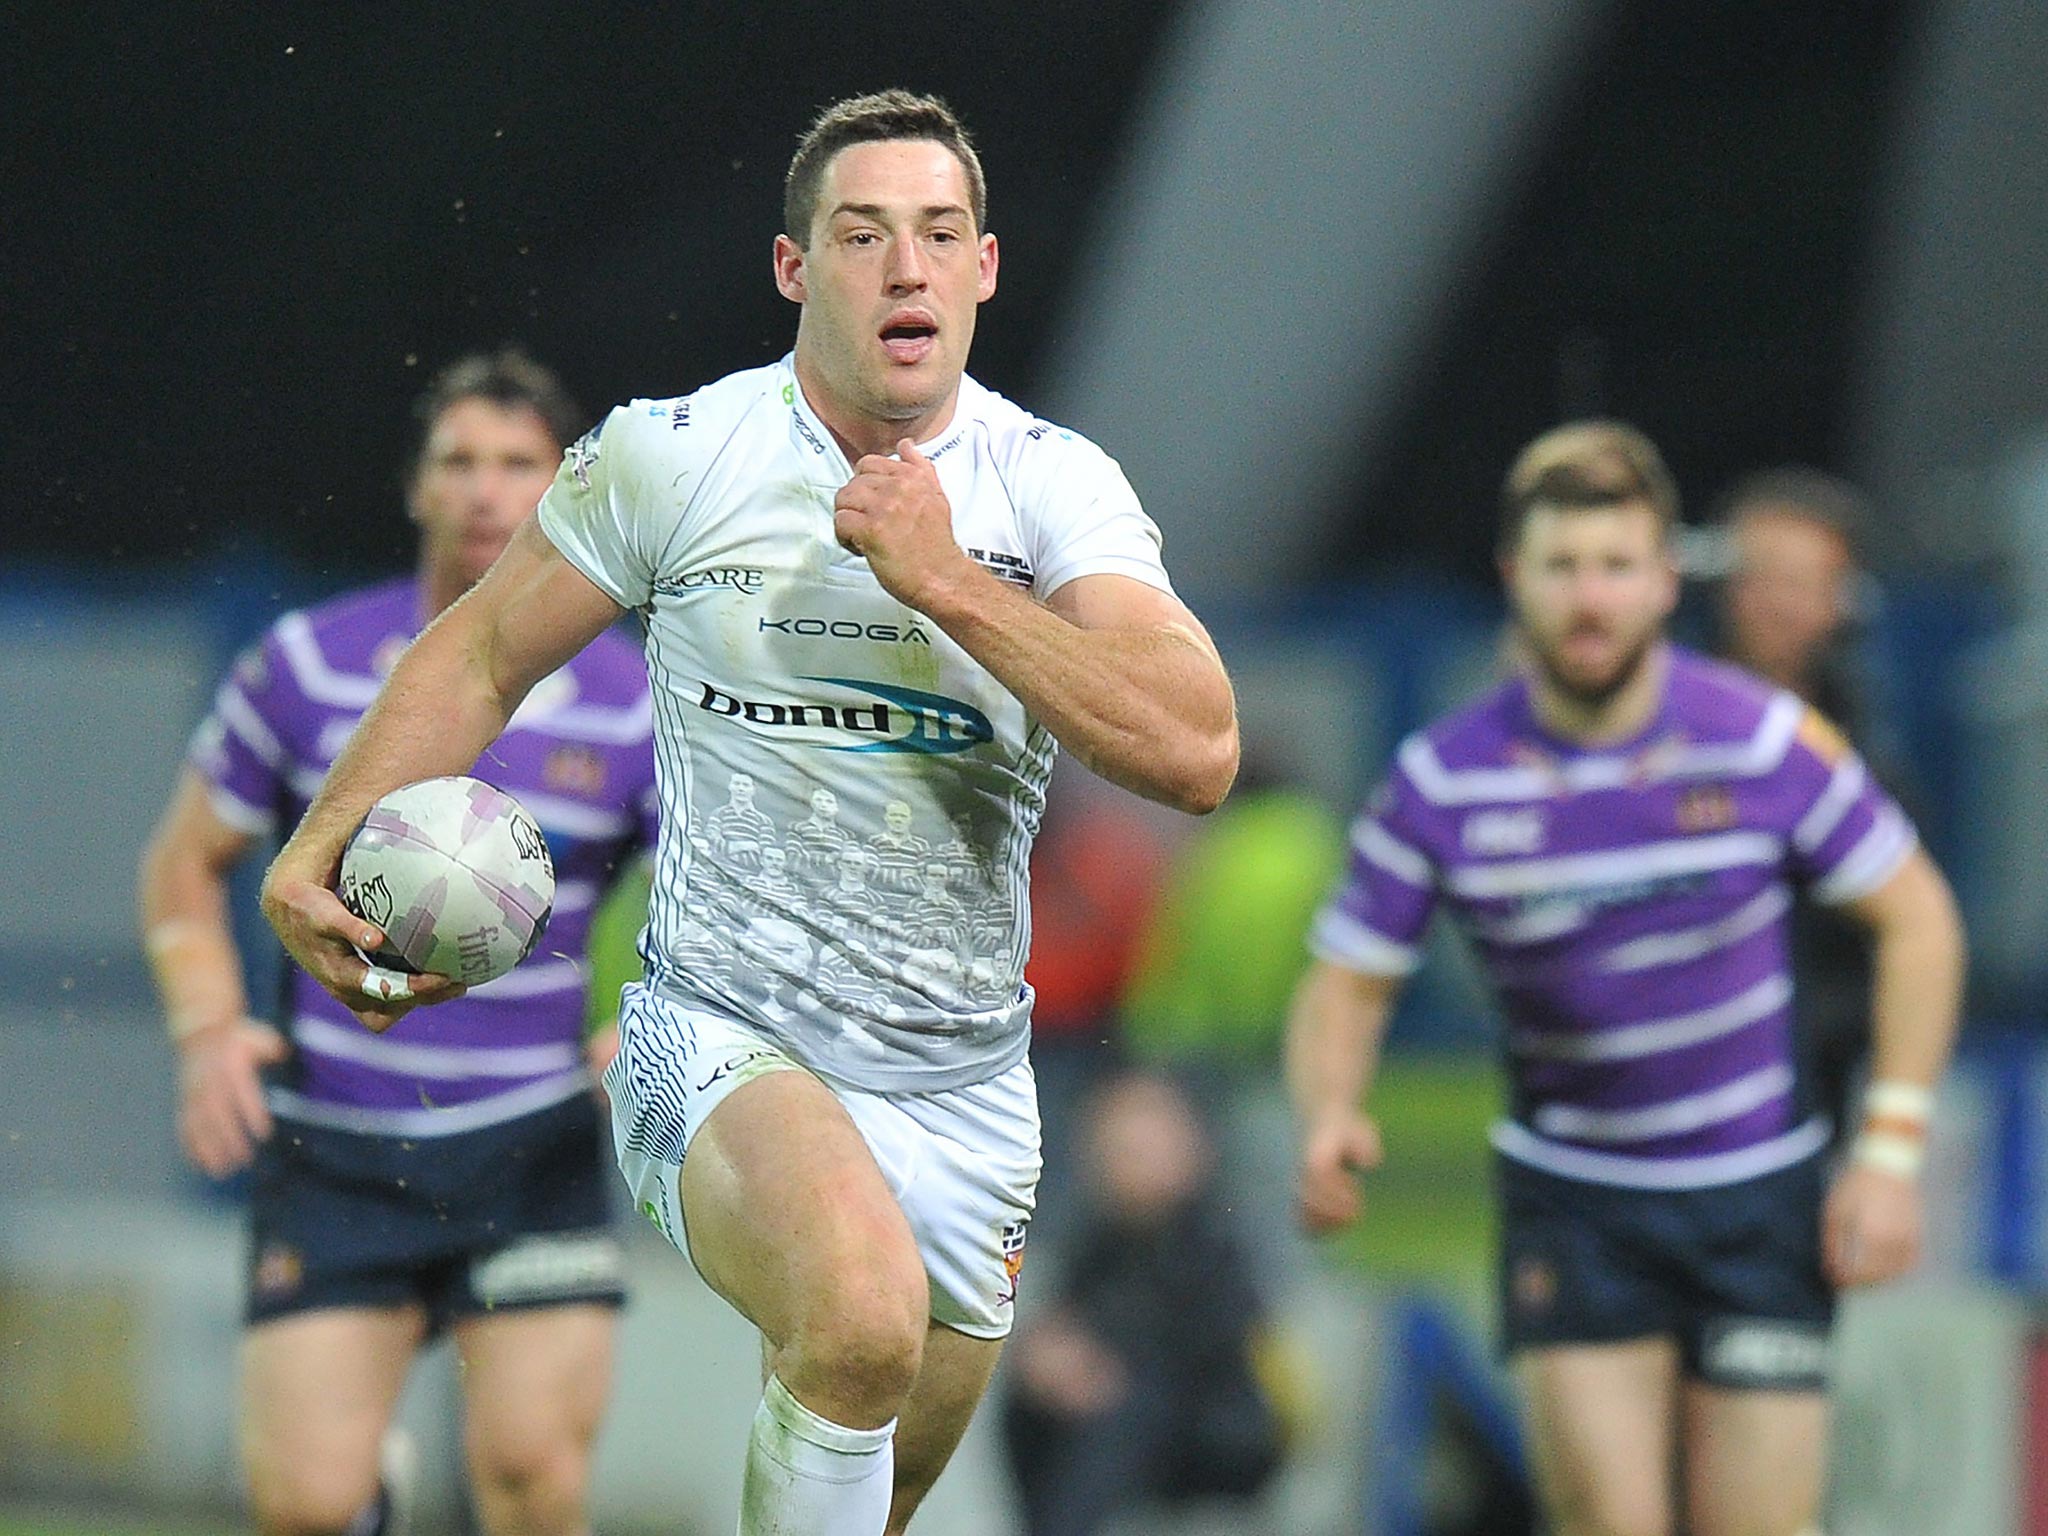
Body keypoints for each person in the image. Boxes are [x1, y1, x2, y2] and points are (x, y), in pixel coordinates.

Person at [256, 90, 1239, 1536]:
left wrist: (950, 582)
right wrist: (317, 844)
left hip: (967, 1090)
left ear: (984, 271)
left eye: (939, 235)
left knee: (873, 1474)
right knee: (855, 1319)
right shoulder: (675, 455)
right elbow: (476, 649)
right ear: (795, 270)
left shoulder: (1051, 488)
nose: (905, 268)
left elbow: (1198, 750)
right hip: (723, 1035)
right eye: (863, 235)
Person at [1287, 421, 1964, 1536]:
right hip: (1574, 1206)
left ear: (1662, 581)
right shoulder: (1441, 780)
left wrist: (1888, 1155)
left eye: (1613, 566)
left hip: (1757, 1197)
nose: (1587, 598)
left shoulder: (1760, 742)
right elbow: (1348, 976)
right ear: (1515, 578)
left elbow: (1918, 921)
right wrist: (1326, 1112)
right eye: (1560, 567)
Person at [137, 348, 659, 1536]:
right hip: (336, 1146)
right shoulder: (307, 665)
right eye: (458, 462)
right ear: (416, 488)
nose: (485, 492)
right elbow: (180, 868)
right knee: (309, 1509)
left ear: (563, 489)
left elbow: (704, 893)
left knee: (532, 1476)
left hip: (532, 1142)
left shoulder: (631, 699)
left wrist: (651, 1014)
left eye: (517, 465)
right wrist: (208, 1031)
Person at [1713, 469, 1915, 1144]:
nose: (1775, 604)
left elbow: (1907, 942)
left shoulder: (1869, 763)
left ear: (1843, 601)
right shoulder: (1659, 729)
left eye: (1801, 582)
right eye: (1759, 575)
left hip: (1810, 1097)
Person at [1002, 1070, 1284, 1536]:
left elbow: (1210, 1339)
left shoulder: (1217, 1232)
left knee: (1129, 1400)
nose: (1125, 1164)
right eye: (1113, 1149)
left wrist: (1098, 1363)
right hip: (1126, 1420)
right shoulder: (1101, 1239)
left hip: (1222, 1430)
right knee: (1032, 1397)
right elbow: (1070, 1318)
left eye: (1140, 1149)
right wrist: (1047, 1360)